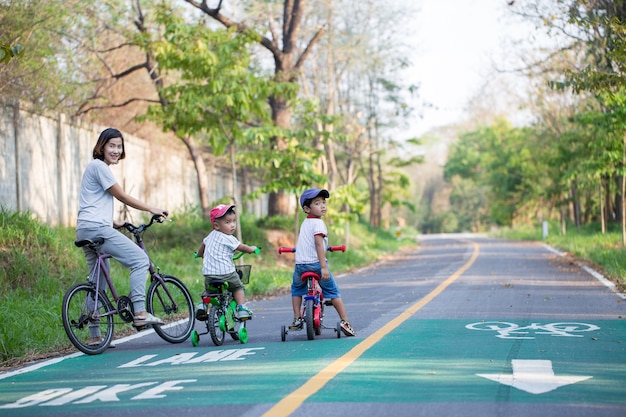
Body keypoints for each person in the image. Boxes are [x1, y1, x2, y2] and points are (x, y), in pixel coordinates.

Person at [76, 127, 169, 347]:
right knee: (140, 260)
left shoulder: (94, 168)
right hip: (97, 228)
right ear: (101, 146)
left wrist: (116, 223)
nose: (116, 150)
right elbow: (122, 196)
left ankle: (95, 335)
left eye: (119, 146)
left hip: (85, 228)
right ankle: (140, 311)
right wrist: (152, 209)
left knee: (97, 282)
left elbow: (94, 203)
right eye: (112, 146)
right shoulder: (100, 166)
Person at [290, 188, 356, 336]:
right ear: (307, 208)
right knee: (333, 292)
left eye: (324, 202)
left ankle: (296, 319)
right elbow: (319, 245)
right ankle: (345, 322)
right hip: (316, 264)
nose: (323, 206)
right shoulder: (319, 224)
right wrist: (323, 267)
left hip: (300, 265)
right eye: (317, 203)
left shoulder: (305, 223)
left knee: (296, 290)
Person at [197, 204, 258, 319]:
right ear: (216, 225)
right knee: (238, 287)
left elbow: (201, 251)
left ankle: (203, 305)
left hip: (209, 274)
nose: (232, 225)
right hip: (226, 273)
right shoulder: (228, 238)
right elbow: (241, 247)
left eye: (234, 221)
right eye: (228, 222)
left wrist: (198, 255)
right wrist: (251, 249)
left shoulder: (209, 237)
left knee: (209, 291)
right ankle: (241, 308)